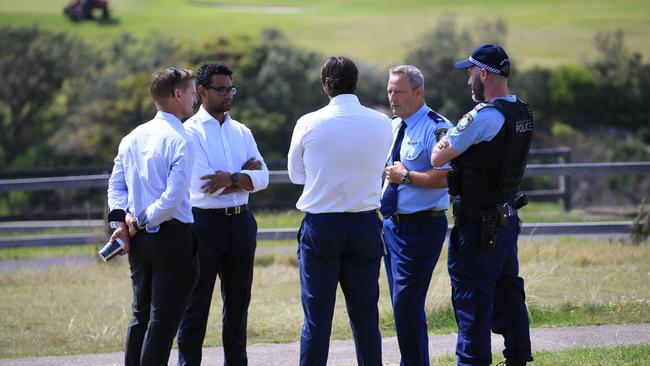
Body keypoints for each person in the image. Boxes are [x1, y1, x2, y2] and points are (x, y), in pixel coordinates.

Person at [430, 44, 534, 366]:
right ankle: (517, 357)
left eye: (471, 73)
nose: (468, 81)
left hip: (478, 226)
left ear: (484, 74)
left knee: (471, 298)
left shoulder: (483, 117)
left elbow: (437, 157)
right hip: (506, 219)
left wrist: (446, 138)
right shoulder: (523, 112)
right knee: (508, 291)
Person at [287, 56, 392, 366]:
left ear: (324, 86)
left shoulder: (309, 122)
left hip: (322, 225)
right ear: (356, 82)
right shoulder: (381, 122)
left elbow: (296, 175)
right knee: (365, 317)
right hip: (365, 223)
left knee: (317, 318)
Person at [177, 62, 269, 366]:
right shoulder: (189, 132)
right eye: (221, 89)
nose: (228, 94)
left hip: (241, 223)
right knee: (195, 305)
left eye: (231, 88)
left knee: (238, 305)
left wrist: (229, 177)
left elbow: (264, 178)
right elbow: (205, 187)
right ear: (202, 91)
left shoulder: (242, 131)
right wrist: (243, 176)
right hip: (204, 225)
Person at [106, 66, 198, 366]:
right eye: (193, 93)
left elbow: (116, 185)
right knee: (162, 323)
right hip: (171, 238)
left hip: (139, 241)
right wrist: (138, 221)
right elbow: (172, 199)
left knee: (140, 316)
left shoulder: (132, 137)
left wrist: (122, 223)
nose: (195, 100)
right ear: (177, 94)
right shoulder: (181, 139)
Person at [380, 65, 453, 366]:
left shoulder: (436, 127)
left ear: (419, 92)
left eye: (399, 91)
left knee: (406, 304)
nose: (393, 97)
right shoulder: (394, 125)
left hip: (422, 226)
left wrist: (406, 177)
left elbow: (447, 177)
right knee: (403, 306)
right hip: (391, 227)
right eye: (389, 91)